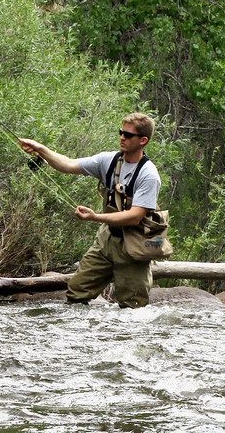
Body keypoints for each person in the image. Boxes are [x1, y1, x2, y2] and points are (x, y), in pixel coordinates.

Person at [19, 112, 161, 308]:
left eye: (128, 135)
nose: (122, 137)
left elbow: (135, 217)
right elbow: (68, 164)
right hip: (106, 240)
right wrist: (40, 149)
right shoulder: (108, 160)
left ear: (143, 140)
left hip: (134, 245)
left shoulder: (148, 174)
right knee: (76, 294)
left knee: (132, 307)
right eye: (121, 132)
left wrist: (95, 217)